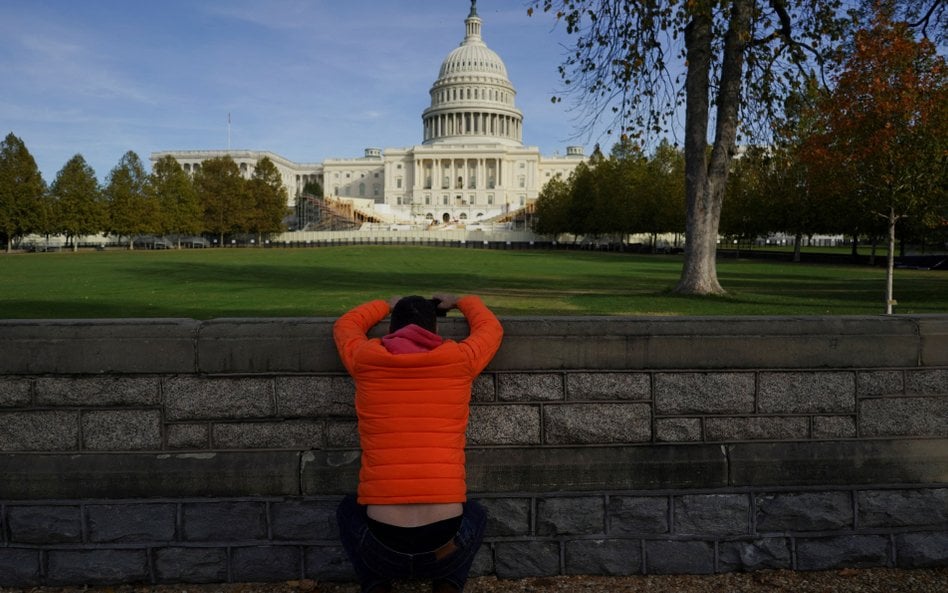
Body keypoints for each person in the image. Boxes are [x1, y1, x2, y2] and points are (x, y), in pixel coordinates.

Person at [333, 293, 504, 593]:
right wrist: (462, 300)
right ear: (433, 331)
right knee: (475, 513)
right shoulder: (460, 360)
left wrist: (385, 303)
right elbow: (491, 328)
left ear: (391, 330)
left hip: (381, 547)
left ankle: (376, 585)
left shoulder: (365, 359)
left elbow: (346, 325)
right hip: (446, 548)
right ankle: (449, 582)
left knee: (348, 509)